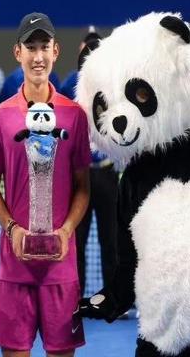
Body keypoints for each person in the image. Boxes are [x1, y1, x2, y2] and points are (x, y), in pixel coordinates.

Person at [0, 13, 91, 356]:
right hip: (14, 269)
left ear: (56, 51)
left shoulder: (75, 116)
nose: (38, 56)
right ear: (18, 53)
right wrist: (12, 228)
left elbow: (83, 187)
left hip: (61, 270)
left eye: (44, 47)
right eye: (31, 48)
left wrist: (67, 230)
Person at [60, 28, 118, 297]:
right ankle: (75, 296)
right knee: (77, 240)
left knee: (111, 239)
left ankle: (112, 297)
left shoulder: (115, 88)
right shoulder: (68, 87)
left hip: (107, 174)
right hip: (78, 176)